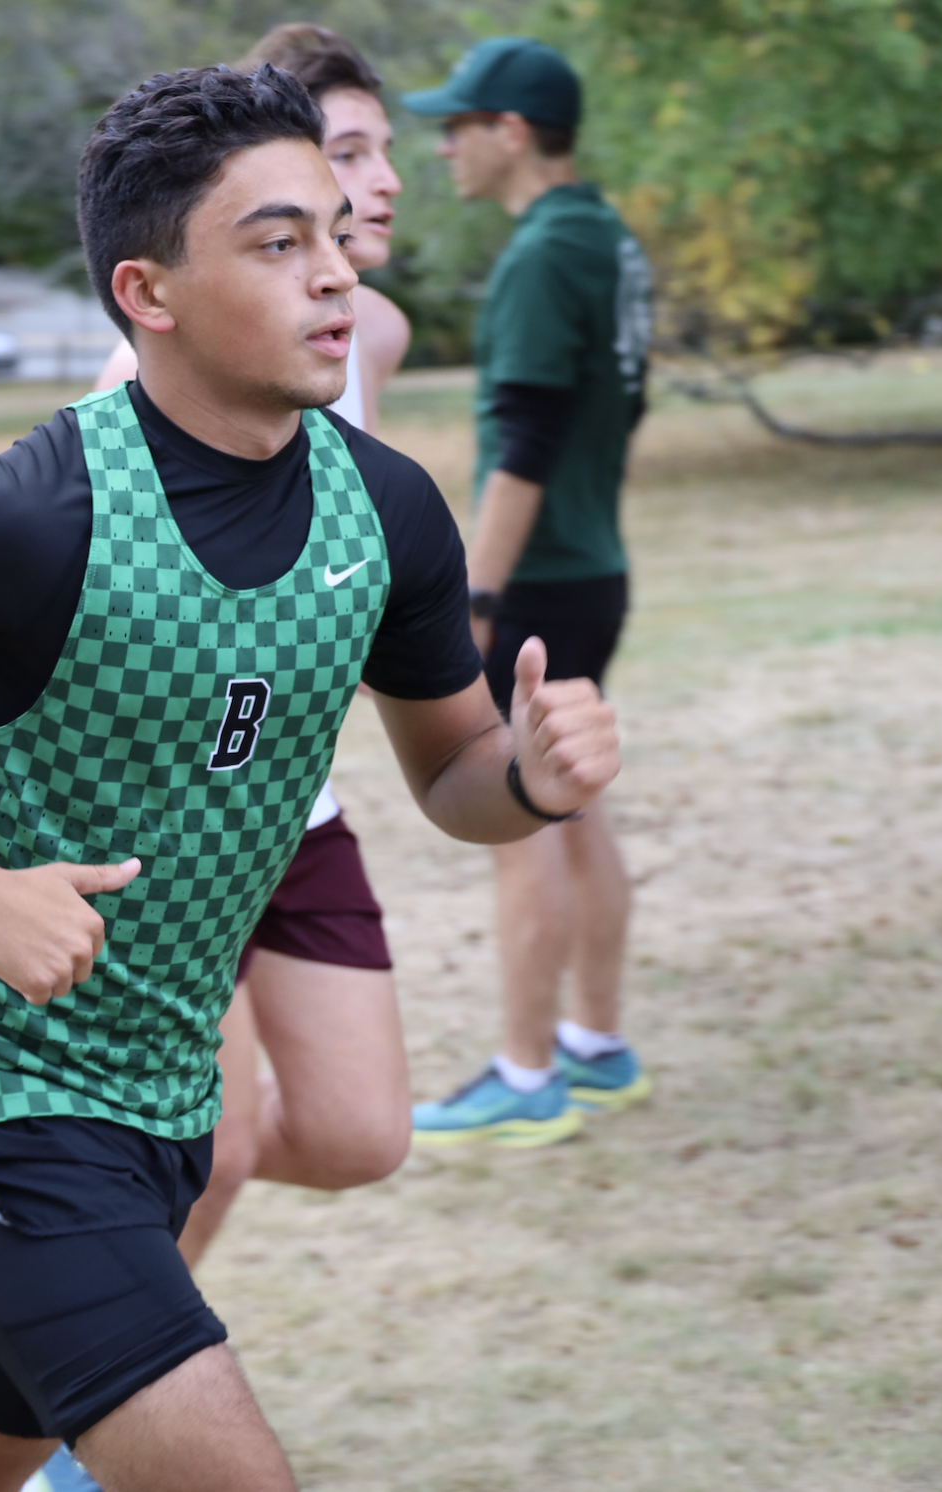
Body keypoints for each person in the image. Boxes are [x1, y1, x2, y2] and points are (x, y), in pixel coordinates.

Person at [0, 64, 620, 1492]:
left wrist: (534, 782)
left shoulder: (388, 508)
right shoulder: (25, 515)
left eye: (332, 234)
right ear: (148, 292)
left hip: (162, 1111)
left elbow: (454, 778)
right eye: (273, 242)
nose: (333, 279)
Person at [92, 23, 416, 1282]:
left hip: (296, 808)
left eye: (380, 160)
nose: (374, 187)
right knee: (207, 1146)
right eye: (346, 158)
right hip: (161, 830)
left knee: (356, 1136)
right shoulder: (157, 373)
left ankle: (88, 1211)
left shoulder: (368, 338)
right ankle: (78, 1417)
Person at [401, 38, 652, 1145]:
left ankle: (527, 1070)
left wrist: (477, 595)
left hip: (540, 581)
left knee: (524, 819)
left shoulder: (547, 252)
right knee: (578, 800)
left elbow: (528, 441)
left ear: (512, 133)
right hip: (594, 563)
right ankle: (597, 1044)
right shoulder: (607, 236)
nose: (443, 143)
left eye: (459, 124)